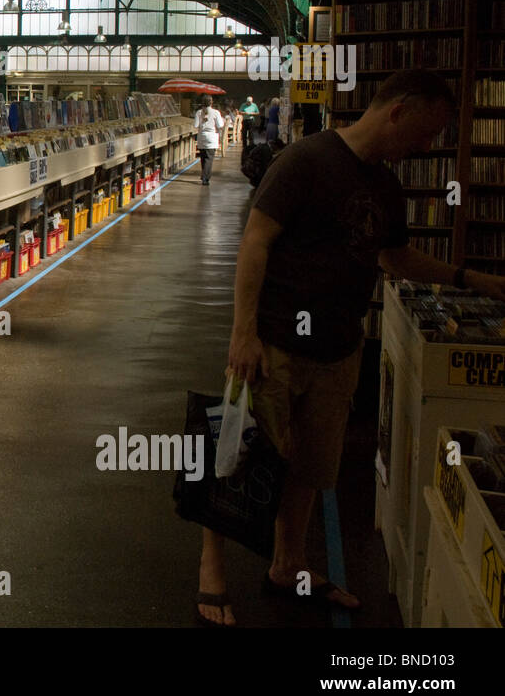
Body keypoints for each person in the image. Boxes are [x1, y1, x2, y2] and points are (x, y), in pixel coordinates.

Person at [196, 69, 505, 627]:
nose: (428, 145)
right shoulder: (307, 161)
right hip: (276, 344)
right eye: (428, 130)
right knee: (236, 456)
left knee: (311, 468)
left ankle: (288, 567)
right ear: (398, 111)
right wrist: (244, 333)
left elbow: (395, 258)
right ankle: (210, 573)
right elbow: (255, 243)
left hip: (339, 350)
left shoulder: (385, 185)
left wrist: (469, 278)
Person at [193, 96, 224, 186]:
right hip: (212, 137)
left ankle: (203, 175)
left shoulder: (199, 112)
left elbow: (195, 125)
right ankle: (205, 178)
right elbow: (220, 125)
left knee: (203, 158)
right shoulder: (215, 112)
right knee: (209, 159)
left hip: (202, 137)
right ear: (211, 102)